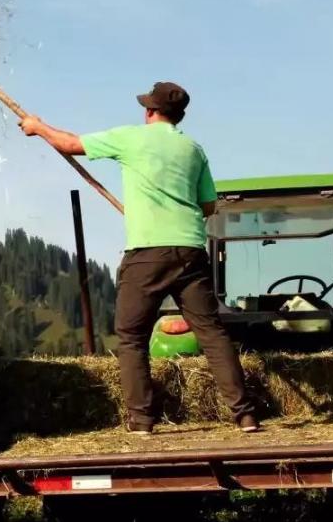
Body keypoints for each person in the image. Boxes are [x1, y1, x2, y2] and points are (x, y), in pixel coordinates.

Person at [19, 81, 259, 435]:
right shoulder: (193, 149)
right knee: (211, 333)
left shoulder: (131, 138)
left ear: (149, 111)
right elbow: (209, 205)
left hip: (147, 252)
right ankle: (246, 415)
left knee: (131, 336)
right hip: (191, 250)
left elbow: (70, 143)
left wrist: (37, 128)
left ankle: (142, 421)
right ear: (178, 116)